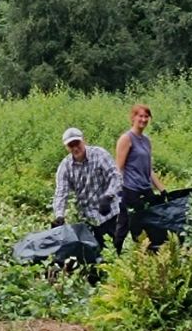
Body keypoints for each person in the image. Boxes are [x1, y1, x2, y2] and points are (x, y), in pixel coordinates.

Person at [51, 127, 122, 254]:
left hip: (110, 213)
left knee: (116, 251)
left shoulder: (99, 154)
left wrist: (109, 195)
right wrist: (59, 216)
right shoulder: (65, 166)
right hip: (88, 219)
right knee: (95, 256)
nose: (75, 148)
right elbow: (61, 193)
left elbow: (115, 176)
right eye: (70, 145)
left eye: (77, 143)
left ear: (84, 141)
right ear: (66, 147)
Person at [114, 104, 167, 250]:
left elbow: (148, 169)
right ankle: (113, 256)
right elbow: (118, 167)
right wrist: (116, 191)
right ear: (133, 118)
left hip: (145, 189)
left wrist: (162, 189)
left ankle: (148, 256)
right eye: (140, 116)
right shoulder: (126, 139)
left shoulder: (146, 141)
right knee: (125, 225)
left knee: (149, 224)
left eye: (146, 116)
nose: (143, 119)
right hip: (130, 190)